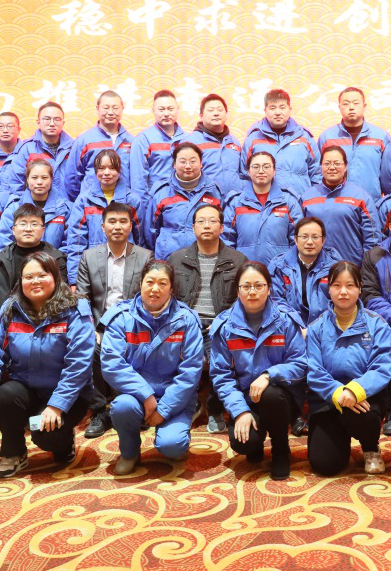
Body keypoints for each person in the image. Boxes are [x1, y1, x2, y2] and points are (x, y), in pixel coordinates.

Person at [0, 251, 96, 476]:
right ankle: (13, 452)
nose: (35, 281)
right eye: (29, 277)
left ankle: (63, 442)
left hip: (67, 394)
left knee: (47, 436)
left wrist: (57, 405)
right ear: (21, 281)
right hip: (26, 389)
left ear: (55, 277)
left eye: (42, 275)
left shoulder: (75, 309)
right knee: (4, 395)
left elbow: (79, 365)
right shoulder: (11, 309)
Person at [100, 260, 204, 475]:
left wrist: (164, 409)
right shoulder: (122, 316)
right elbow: (112, 364)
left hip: (174, 396)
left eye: (162, 283)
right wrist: (146, 395)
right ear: (141, 283)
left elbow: (191, 372)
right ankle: (129, 453)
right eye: (150, 282)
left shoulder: (187, 319)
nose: (155, 289)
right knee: (122, 407)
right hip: (136, 395)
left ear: (172, 289)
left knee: (172, 446)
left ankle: (176, 439)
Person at [210, 262, 308, 481]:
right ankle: (256, 436)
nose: (252, 291)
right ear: (238, 291)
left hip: (281, 397)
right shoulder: (225, 326)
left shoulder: (285, 320)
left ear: (269, 288)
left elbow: (300, 362)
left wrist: (269, 375)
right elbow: (221, 375)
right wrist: (240, 411)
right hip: (245, 398)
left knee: (271, 394)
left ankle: (280, 449)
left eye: (258, 285)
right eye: (246, 286)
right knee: (244, 444)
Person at [304, 261, 391, 476]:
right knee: (325, 465)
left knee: (364, 415)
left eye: (350, 285)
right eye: (337, 285)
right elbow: (313, 370)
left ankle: (371, 447)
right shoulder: (316, 327)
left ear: (360, 288)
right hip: (328, 400)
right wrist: (338, 392)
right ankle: (339, 438)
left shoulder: (377, 324)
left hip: (364, 399)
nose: (343, 292)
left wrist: (355, 390)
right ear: (329, 289)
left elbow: (382, 366)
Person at [75, 201, 150, 438]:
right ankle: (99, 411)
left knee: (134, 347)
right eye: (112, 221)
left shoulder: (144, 256)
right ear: (103, 226)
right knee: (88, 346)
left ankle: (125, 407)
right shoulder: (89, 257)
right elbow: (82, 296)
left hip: (133, 323)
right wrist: (90, 327)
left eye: (123, 221)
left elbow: (147, 296)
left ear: (130, 226)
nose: (117, 226)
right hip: (99, 324)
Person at [169, 202, 246, 431]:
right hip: (186, 326)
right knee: (177, 355)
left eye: (212, 221)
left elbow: (242, 300)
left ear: (221, 228)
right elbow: (169, 299)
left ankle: (214, 408)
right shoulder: (177, 259)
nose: (206, 225)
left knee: (219, 361)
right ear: (193, 227)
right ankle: (189, 403)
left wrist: (225, 323)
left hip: (221, 326)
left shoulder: (238, 260)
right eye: (201, 221)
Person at [139, 142, 225, 260]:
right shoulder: (161, 192)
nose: (188, 166)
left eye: (193, 161)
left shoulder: (214, 191)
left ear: (201, 163)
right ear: (174, 164)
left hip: (206, 256)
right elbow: (151, 231)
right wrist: (164, 246)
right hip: (168, 257)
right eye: (183, 161)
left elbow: (222, 227)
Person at [0, 205, 67, 318]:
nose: (28, 229)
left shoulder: (56, 258)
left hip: (46, 321)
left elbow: (61, 294)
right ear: (13, 230)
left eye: (34, 224)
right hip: (4, 322)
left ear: (43, 230)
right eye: (23, 224)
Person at [298, 145, 380, 265]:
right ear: (321, 166)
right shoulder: (307, 197)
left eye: (337, 163)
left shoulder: (361, 197)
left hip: (351, 266)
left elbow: (372, 238)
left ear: (345, 166)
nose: (332, 167)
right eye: (327, 163)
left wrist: (368, 267)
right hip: (316, 267)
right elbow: (298, 235)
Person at [221, 151, 301, 267]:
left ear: (274, 171)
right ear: (248, 171)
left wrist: (288, 269)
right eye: (256, 167)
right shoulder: (235, 202)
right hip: (244, 271)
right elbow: (226, 241)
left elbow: (298, 240)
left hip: (281, 272)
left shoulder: (288, 201)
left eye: (266, 167)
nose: (261, 171)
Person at [241, 89, 319, 194]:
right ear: (265, 110)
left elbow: (317, 173)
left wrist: (313, 198)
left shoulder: (305, 137)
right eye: (272, 108)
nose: (278, 112)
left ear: (289, 109)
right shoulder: (253, 138)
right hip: (265, 201)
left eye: (282, 107)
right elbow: (244, 175)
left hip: (300, 199)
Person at [317, 87, 390, 200]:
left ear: (364, 106)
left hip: (372, 202)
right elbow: (318, 172)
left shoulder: (381, 136)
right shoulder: (327, 137)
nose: (351, 107)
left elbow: (388, 174)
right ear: (339, 107)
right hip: (335, 202)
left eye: (356, 103)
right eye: (346, 104)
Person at [64, 149, 125, 282]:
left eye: (112, 168)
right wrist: (74, 280)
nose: (106, 173)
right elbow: (76, 242)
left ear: (119, 170)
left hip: (125, 269)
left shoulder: (131, 200)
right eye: (101, 168)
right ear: (95, 171)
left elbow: (139, 239)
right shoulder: (84, 201)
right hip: (93, 269)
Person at [270, 216, 340, 325]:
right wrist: (297, 326)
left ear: (323, 240)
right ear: (295, 239)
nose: (310, 242)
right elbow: (275, 301)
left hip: (326, 326)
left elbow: (340, 302)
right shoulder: (279, 266)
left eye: (315, 237)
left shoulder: (336, 267)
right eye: (304, 237)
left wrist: (317, 328)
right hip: (290, 326)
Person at [66, 90, 134, 204]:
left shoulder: (131, 141)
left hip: (123, 205)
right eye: (106, 108)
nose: (110, 112)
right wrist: (83, 201)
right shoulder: (84, 140)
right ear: (97, 108)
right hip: (91, 204)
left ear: (122, 109)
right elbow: (72, 177)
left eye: (115, 108)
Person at [3, 101, 78, 202]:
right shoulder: (27, 149)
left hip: (67, 207)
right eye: (47, 119)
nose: (52, 124)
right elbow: (16, 183)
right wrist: (26, 207)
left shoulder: (74, 148)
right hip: (35, 208)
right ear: (38, 122)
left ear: (63, 123)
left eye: (57, 119)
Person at [129, 89, 188, 206]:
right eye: (161, 109)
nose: (166, 113)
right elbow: (138, 179)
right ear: (153, 111)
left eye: (170, 109)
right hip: (155, 202)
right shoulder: (143, 139)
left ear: (177, 109)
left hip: (183, 201)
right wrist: (144, 207)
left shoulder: (187, 139)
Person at [0, 160, 71, 252]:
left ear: (51, 179)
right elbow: (5, 242)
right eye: (34, 177)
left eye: (44, 177)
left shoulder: (64, 209)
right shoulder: (14, 208)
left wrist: (55, 259)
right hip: (20, 260)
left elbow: (70, 243)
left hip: (54, 260)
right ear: (27, 179)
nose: (39, 182)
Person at [186, 93, 245, 199]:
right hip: (205, 203)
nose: (216, 113)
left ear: (226, 114)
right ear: (201, 115)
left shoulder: (234, 142)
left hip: (234, 202)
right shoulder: (190, 143)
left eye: (220, 110)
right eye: (211, 110)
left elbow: (242, 173)